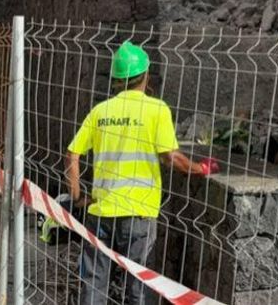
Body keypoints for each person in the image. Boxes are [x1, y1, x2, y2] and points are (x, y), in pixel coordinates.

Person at [66, 42, 220, 305]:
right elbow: (170, 157)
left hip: (101, 212)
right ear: (146, 75)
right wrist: (199, 168)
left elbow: (72, 155)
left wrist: (78, 197)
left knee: (93, 286)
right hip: (139, 215)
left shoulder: (100, 112)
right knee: (137, 287)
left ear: (116, 79)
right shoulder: (156, 109)